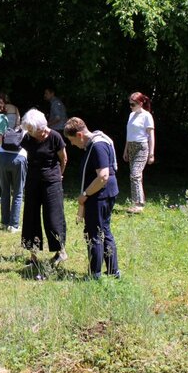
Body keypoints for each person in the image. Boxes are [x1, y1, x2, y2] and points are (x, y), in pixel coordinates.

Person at [64, 117, 120, 279]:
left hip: (99, 195)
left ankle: (95, 274)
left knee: (94, 234)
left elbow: (103, 176)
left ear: (80, 135)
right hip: (104, 193)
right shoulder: (96, 143)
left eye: (72, 140)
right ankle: (112, 271)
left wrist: (85, 194)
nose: (73, 144)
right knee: (104, 231)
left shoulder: (97, 146)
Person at [20, 109, 68, 266]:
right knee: (31, 218)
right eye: (31, 131)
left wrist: (58, 176)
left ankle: (60, 252)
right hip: (33, 181)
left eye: (34, 131)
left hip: (52, 182)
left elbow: (64, 159)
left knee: (53, 218)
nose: (33, 134)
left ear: (42, 127)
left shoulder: (55, 137)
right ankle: (33, 257)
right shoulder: (28, 138)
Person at [123, 92, 155, 214]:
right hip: (131, 146)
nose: (130, 107)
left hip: (142, 147)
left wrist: (151, 153)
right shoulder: (131, 115)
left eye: (133, 104)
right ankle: (136, 202)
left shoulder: (147, 116)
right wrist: (126, 150)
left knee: (135, 175)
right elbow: (129, 134)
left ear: (140, 103)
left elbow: (151, 135)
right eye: (130, 104)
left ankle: (139, 204)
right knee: (135, 176)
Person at [0, 122, 28, 233]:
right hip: (19, 158)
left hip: (2, 157)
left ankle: (5, 222)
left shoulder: (7, 130)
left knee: (5, 190)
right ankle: (14, 225)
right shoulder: (26, 131)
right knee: (18, 193)